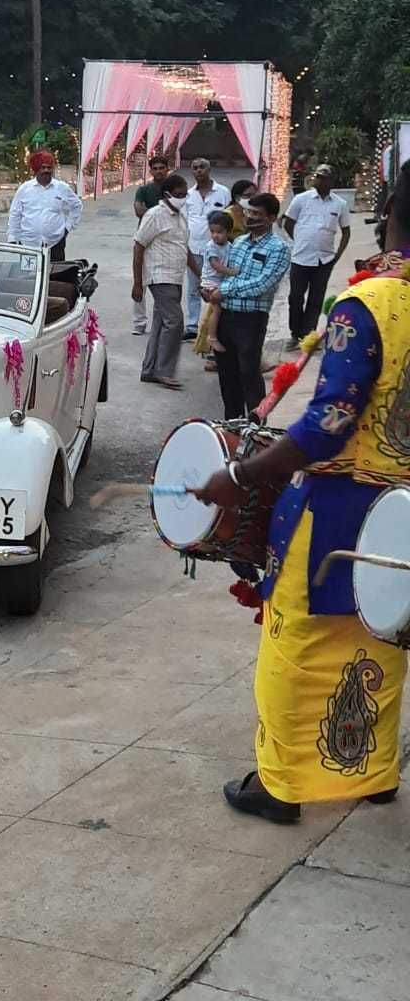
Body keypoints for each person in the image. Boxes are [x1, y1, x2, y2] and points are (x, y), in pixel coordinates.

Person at [194, 161, 410, 823]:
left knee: (296, 642)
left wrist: (240, 475)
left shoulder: (369, 304)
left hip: (341, 506)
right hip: (404, 512)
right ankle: (370, 772)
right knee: (379, 637)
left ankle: (280, 785)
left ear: (393, 215)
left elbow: (330, 423)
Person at [204, 192, 290, 419]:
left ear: (271, 218)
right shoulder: (239, 242)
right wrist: (210, 290)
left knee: (249, 374)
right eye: (249, 212)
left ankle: (256, 429)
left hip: (250, 320)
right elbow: (225, 275)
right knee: (227, 376)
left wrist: (223, 291)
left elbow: (263, 283)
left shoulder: (278, 248)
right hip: (225, 317)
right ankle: (232, 427)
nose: (250, 217)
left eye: (257, 214)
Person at [132, 172, 201, 391]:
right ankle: (165, 371)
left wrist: (199, 275)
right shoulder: (154, 215)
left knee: (162, 323)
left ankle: (150, 370)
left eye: (184, 194)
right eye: (178, 195)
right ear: (167, 194)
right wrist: (137, 282)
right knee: (175, 322)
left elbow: (184, 248)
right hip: (159, 276)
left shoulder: (180, 216)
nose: (182, 198)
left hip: (175, 276)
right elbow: (139, 246)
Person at [283, 162, 351, 348]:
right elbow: (288, 223)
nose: (320, 180)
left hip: (325, 259)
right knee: (295, 298)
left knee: (316, 299)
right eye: (318, 176)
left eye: (324, 177)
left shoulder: (340, 204)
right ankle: (294, 333)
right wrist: (299, 241)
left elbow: (346, 231)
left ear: (331, 180)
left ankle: (307, 336)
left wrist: (337, 255)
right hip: (301, 258)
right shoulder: (301, 199)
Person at [183, 159, 231, 338]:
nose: (199, 171)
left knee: (218, 288)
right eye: (195, 168)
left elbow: (229, 217)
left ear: (209, 169)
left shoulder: (223, 192)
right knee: (194, 288)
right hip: (194, 248)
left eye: (202, 167)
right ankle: (192, 327)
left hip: (218, 250)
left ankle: (216, 326)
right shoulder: (188, 195)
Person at [7, 151, 83, 259]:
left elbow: (76, 206)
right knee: (29, 276)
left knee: (56, 275)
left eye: (49, 167)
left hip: (55, 244)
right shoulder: (24, 189)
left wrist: (67, 227)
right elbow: (15, 214)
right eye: (43, 167)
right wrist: (12, 238)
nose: (46, 170)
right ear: (36, 169)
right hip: (29, 245)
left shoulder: (62, 188)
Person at [131, 155, 170, 335]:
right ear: (151, 170)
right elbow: (139, 209)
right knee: (140, 281)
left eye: (162, 167)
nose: (159, 171)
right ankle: (139, 323)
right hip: (144, 240)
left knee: (164, 283)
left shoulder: (173, 189)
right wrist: (159, 218)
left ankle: (162, 322)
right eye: (155, 168)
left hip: (166, 242)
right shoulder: (144, 190)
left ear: (167, 169)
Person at [194, 210, 237, 362]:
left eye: (219, 232)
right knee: (217, 309)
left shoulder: (230, 246)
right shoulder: (211, 246)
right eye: (212, 231)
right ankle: (212, 337)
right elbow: (216, 266)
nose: (215, 235)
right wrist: (234, 272)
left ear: (228, 232)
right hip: (210, 282)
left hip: (222, 282)